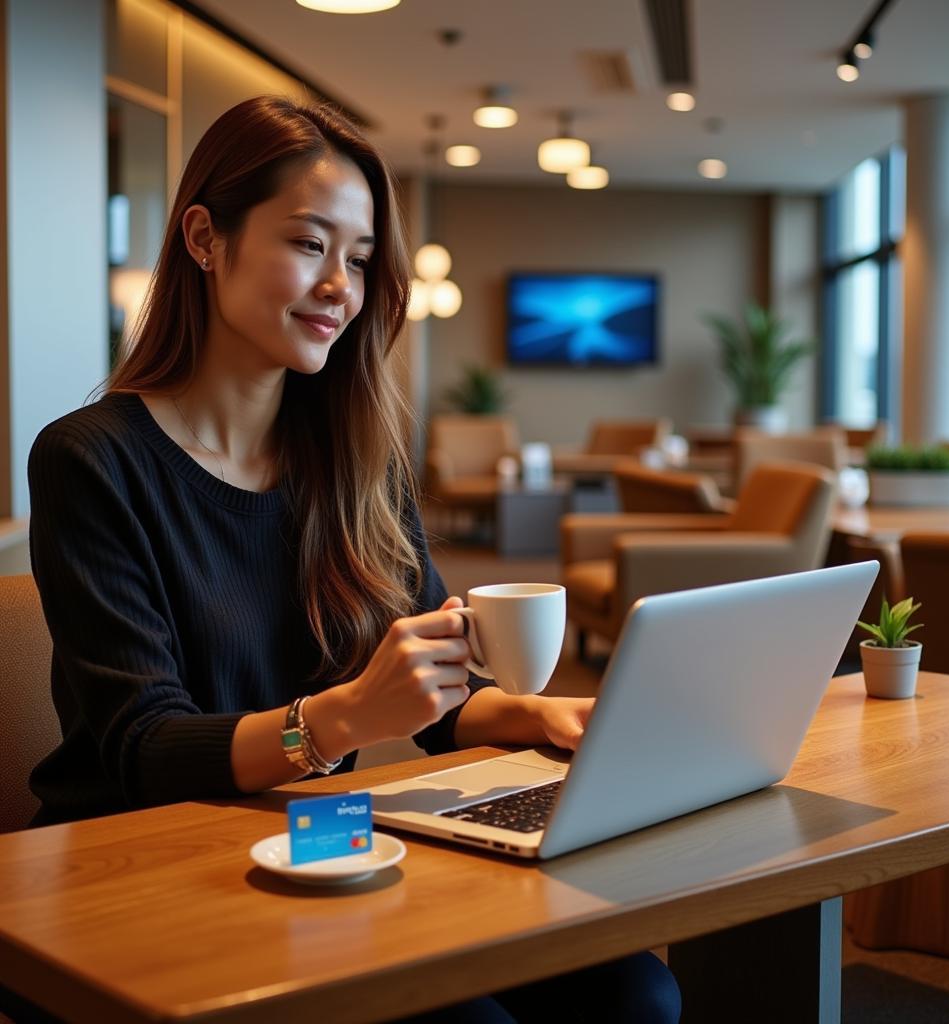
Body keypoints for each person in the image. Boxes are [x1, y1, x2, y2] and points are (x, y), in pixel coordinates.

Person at [25, 97, 681, 1023]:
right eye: (310, 243)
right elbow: (143, 749)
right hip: (145, 865)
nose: (342, 284)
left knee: (635, 993)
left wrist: (543, 713)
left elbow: (440, 695)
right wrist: (335, 721)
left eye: (362, 260)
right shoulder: (91, 459)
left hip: (315, 845)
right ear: (206, 239)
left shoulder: (355, 460)